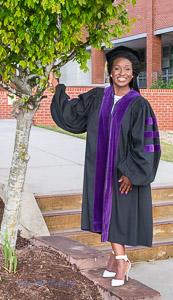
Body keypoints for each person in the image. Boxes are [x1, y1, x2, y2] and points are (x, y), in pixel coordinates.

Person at [49, 46, 161, 287]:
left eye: (127, 69)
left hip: (123, 173)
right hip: (101, 170)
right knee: (106, 215)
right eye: (117, 68)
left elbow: (147, 144)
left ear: (133, 74)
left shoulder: (139, 105)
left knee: (117, 217)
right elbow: (73, 114)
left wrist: (132, 172)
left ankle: (122, 262)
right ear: (110, 72)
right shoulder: (99, 97)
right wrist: (57, 87)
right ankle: (113, 259)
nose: (122, 73)